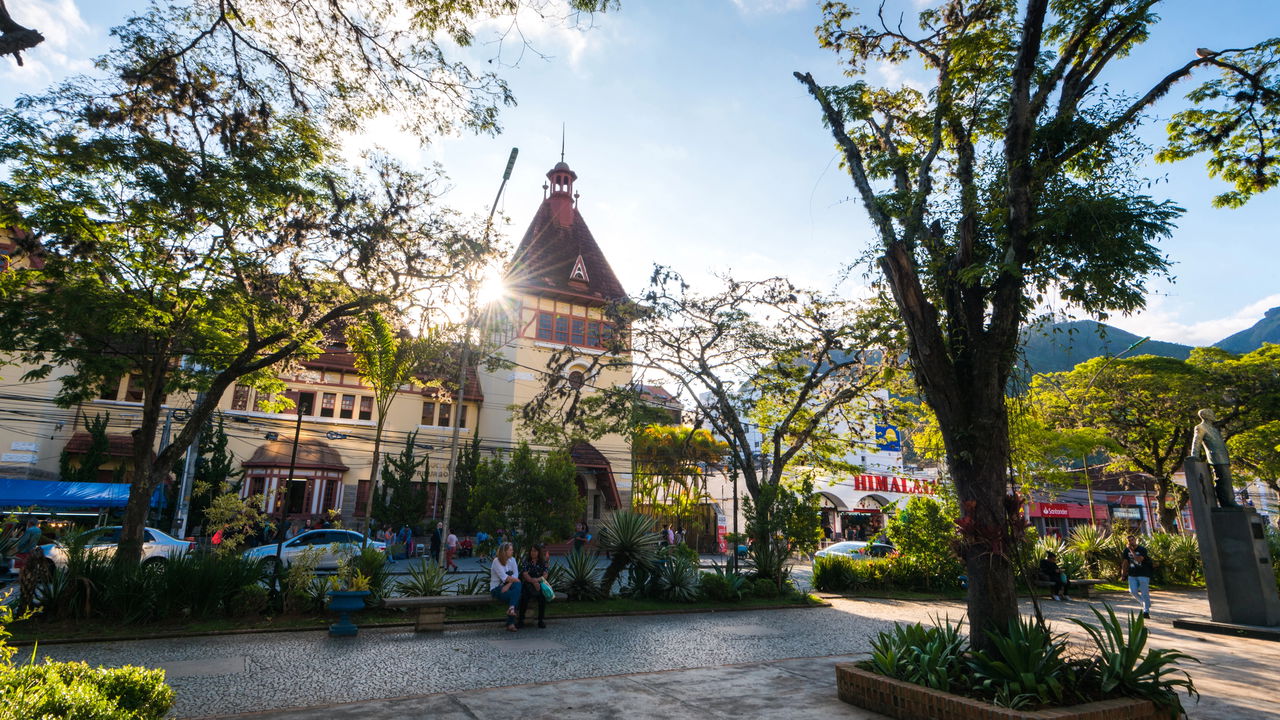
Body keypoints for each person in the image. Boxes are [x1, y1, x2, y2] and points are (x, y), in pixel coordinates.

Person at [489, 542, 522, 632]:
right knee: (517, 595)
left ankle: (511, 609)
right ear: (504, 551)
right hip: (497, 589)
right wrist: (512, 581)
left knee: (518, 585)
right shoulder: (496, 561)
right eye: (510, 550)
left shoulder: (512, 560)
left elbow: (516, 575)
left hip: (507, 587)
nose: (512, 551)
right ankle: (510, 623)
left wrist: (509, 584)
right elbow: (505, 577)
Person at [517, 543, 550, 629]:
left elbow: (545, 575)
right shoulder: (526, 561)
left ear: (539, 552)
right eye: (531, 551)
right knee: (524, 597)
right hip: (528, 584)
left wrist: (537, 581)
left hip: (539, 583)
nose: (533, 552)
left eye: (535, 551)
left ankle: (540, 620)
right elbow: (525, 574)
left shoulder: (543, 562)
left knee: (542, 598)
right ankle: (521, 620)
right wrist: (533, 581)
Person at [1121, 534, 1154, 618]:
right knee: (1132, 591)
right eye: (1129, 540)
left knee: (1144, 593)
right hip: (1132, 574)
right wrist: (1123, 574)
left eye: (1132, 540)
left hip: (1143, 573)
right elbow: (1125, 563)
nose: (1131, 542)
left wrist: (1131, 550)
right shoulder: (1126, 551)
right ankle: (1145, 603)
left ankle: (1146, 611)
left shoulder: (1142, 549)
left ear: (1135, 540)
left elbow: (1138, 559)